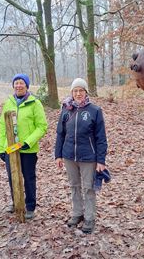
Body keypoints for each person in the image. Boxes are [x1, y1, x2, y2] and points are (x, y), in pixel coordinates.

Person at [55, 78, 108, 234]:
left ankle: (90, 217)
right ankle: (77, 213)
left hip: (88, 157)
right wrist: (58, 155)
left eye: (81, 90)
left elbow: (101, 138)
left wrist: (101, 160)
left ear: (86, 92)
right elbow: (60, 134)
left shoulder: (95, 110)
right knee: (74, 186)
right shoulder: (66, 109)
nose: (78, 93)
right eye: (75, 91)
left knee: (88, 188)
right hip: (69, 156)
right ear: (72, 92)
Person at [0, 73, 47, 219]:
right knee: (12, 176)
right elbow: (2, 127)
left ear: (26, 86)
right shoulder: (8, 103)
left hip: (28, 149)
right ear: (13, 86)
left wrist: (28, 142)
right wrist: (1, 148)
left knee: (28, 178)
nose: (19, 86)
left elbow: (42, 126)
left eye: (21, 83)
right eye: (16, 83)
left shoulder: (34, 103)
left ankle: (30, 205)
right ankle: (16, 202)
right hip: (10, 149)